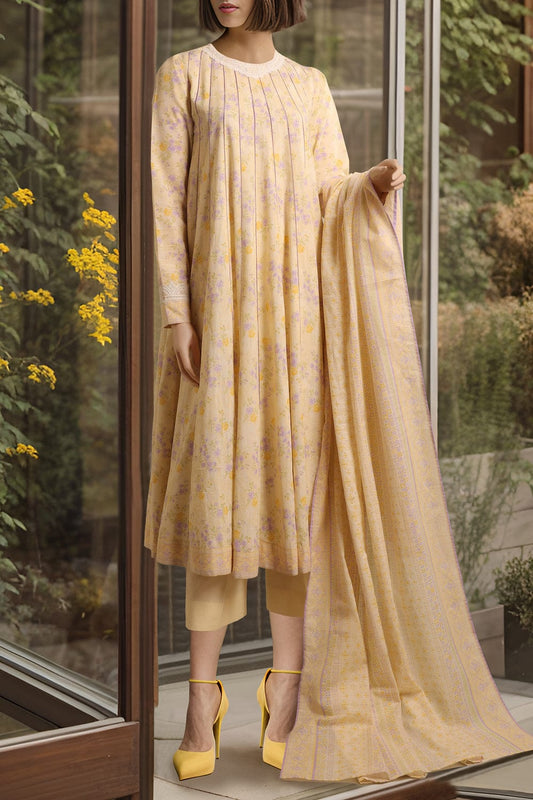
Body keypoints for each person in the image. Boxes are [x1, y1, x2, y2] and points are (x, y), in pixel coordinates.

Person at [145, 0, 533, 786]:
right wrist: (178, 315)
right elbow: (164, 200)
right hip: (219, 329)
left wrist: (370, 187)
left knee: (297, 513)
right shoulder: (183, 76)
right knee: (219, 513)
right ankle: (200, 699)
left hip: (300, 329)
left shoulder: (309, 86)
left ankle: (284, 700)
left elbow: (328, 198)